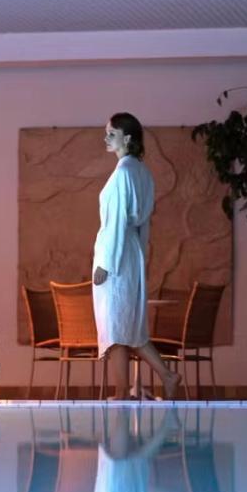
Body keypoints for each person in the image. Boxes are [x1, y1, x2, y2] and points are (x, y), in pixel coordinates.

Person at [92, 113, 180, 400]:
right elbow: (144, 223)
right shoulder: (142, 172)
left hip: (117, 254)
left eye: (112, 134)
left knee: (117, 327)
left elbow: (116, 221)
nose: (106, 139)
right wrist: (140, 258)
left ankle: (121, 391)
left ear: (127, 138)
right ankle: (166, 375)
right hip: (131, 253)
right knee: (129, 326)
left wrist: (105, 263)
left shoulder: (123, 173)